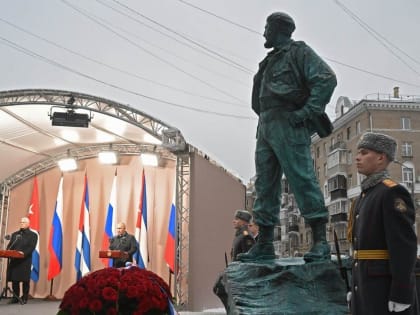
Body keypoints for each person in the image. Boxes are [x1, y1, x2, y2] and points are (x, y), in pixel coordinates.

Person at [239, 12, 337, 263]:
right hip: (266, 124)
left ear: (279, 29)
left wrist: (307, 111)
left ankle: (320, 242)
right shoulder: (269, 61)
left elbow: (326, 79)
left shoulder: (298, 52)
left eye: (267, 28)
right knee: (265, 185)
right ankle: (265, 244)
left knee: (301, 177)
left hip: (288, 121)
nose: (264, 33)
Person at [348, 132, 419, 314]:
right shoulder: (363, 197)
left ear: (381, 157)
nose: (357, 157)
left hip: (383, 289)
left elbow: (404, 247)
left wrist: (401, 293)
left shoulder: (391, 193)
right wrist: (354, 286)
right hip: (365, 287)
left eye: (364, 153)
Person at [213, 210, 255, 311]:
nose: (234, 221)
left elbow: (248, 258)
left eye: (237, 219)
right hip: (235, 272)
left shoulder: (246, 236)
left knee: (222, 290)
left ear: (244, 222)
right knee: (218, 289)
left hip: (241, 275)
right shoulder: (239, 235)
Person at [6, 217, 38, 304]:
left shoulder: (33, 235)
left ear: (28, 224)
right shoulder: (15, 234)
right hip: (14, 260)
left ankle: (24, 297)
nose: (22, 223)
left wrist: (22, 253)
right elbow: (10, 246)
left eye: (24, 222)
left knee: (25, 280)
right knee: (14, 279)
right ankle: (15, 297)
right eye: (21, 222)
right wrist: (8, 251)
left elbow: (31, 247)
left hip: (25, 261)